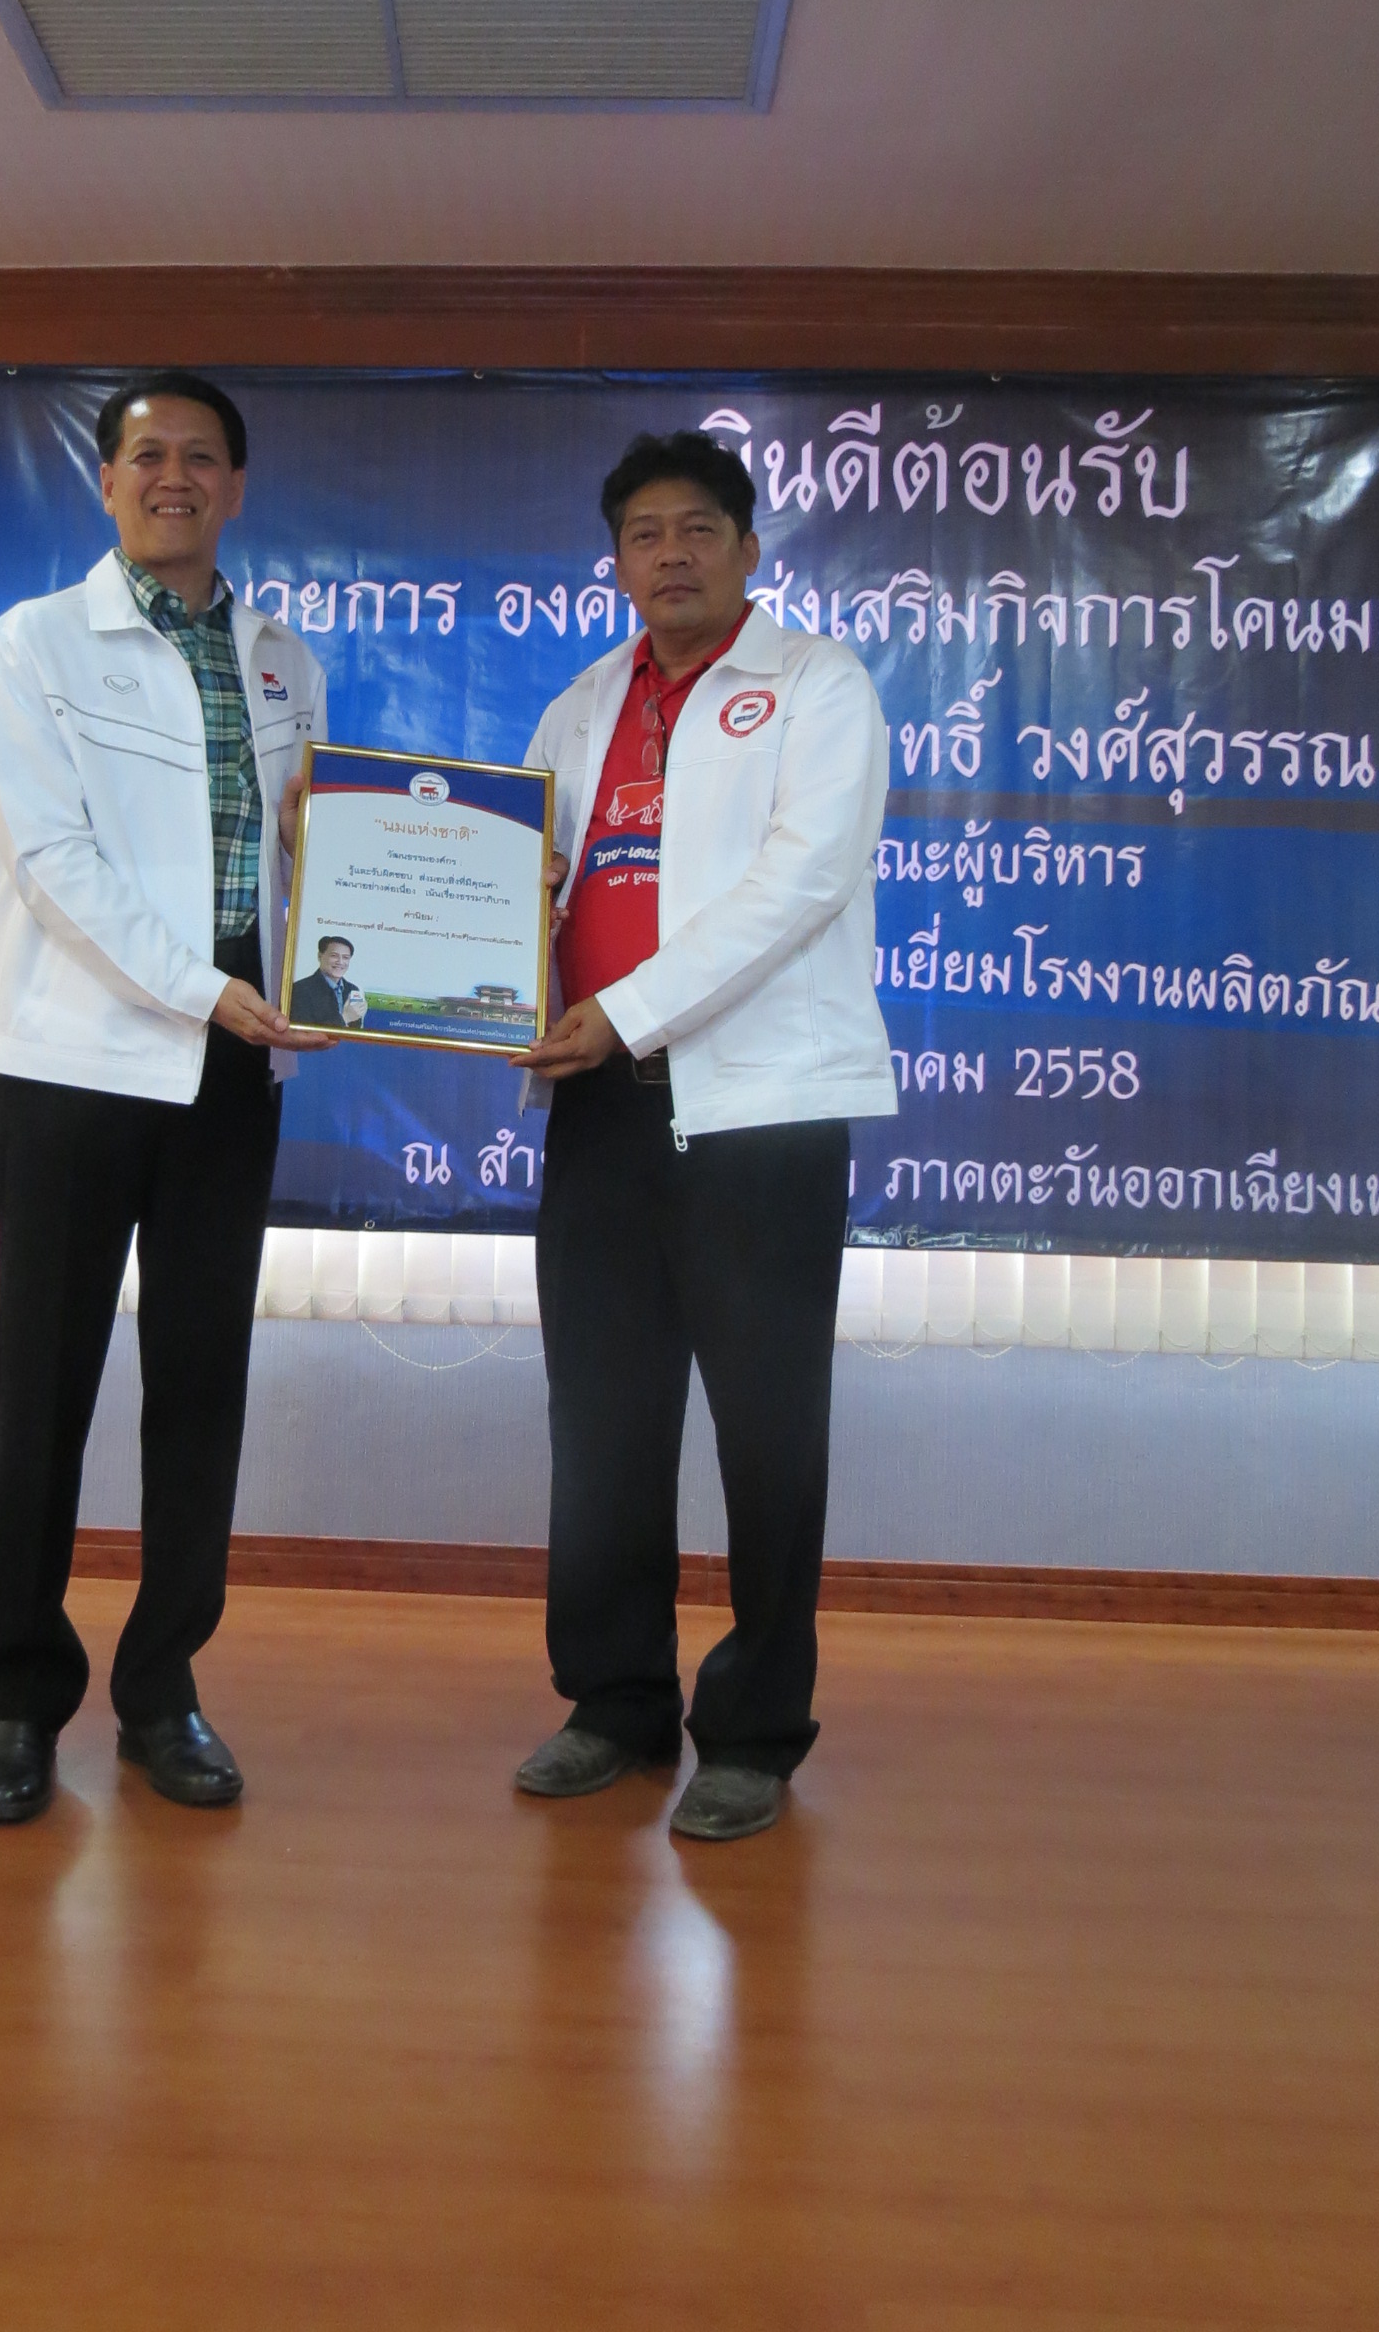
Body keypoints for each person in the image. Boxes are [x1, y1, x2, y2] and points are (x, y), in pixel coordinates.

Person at [511, 429, 896, 1842]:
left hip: (760, 1114)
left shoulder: (817, 685)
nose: (668, 555)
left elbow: (802, 881)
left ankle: (753, 1730)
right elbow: (518, 872)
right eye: (642, 534)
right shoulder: (580, 703)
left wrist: (626, 1011)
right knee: (601, 1423)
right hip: (602, 1111)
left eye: (695, 530)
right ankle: (614, 1701)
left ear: (746, 549)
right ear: (615, 561)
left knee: (769, 1432)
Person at [0, 370, 330, 1827]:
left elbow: (309, 858)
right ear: (107, 482)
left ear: (235, 485)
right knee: (43, 1390)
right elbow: (52, 861)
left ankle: (163, 1688)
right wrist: (203, 987)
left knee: (198, 1385)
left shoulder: (286, 661)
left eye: (201, 456)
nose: (173, 476)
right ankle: (18, 1701)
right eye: (146, 454)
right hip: (78, 1059)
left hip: (233, 1061)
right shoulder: (36, 641)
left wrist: (338, 973)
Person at [289, 934, 368, 1028]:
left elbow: (355, 1028)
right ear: (319, 956)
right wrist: (345, 1018)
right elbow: (303, 1030)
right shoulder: (300, 989)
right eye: (334, 956)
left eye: (346, 957)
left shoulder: (352, 989)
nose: (340, 962)